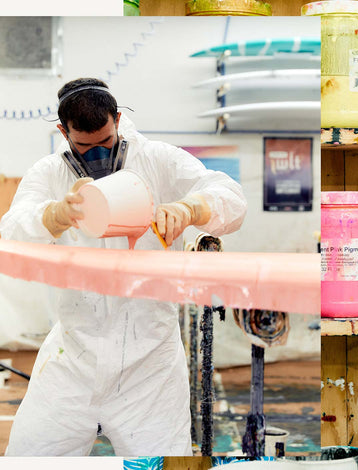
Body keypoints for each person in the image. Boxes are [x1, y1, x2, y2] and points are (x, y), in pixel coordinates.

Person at [0, 78, 247, 456]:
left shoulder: (157, 159)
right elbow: (11, 234)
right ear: (63, 132)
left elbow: (231, 196)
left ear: (117, 119)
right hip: (72, 360)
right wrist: (53, 215)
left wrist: (191, 208)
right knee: (30, 459)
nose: (98, 155)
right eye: (84, 146)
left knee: (160, 463)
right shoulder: (50, 174)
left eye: (106, 143)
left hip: (149, 366)